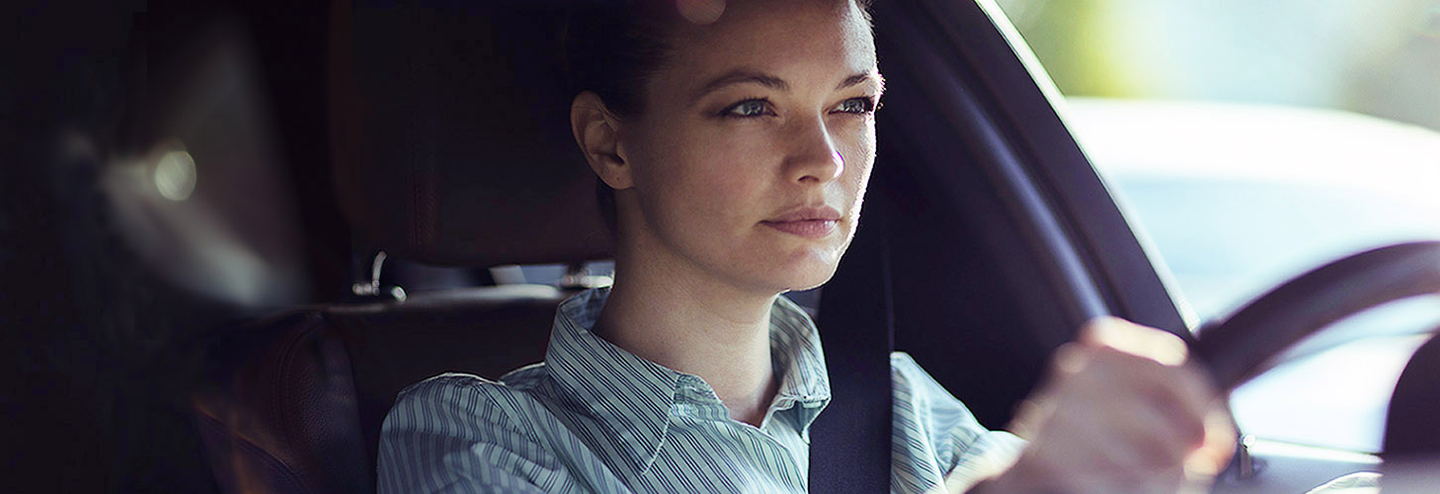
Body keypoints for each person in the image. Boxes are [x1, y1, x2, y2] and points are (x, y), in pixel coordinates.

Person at [378, 0, 1235, 492]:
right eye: (750, 106)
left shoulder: (899, 407)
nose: (821, 159)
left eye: (852, 105)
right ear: (611, 144)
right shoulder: (476, 435)